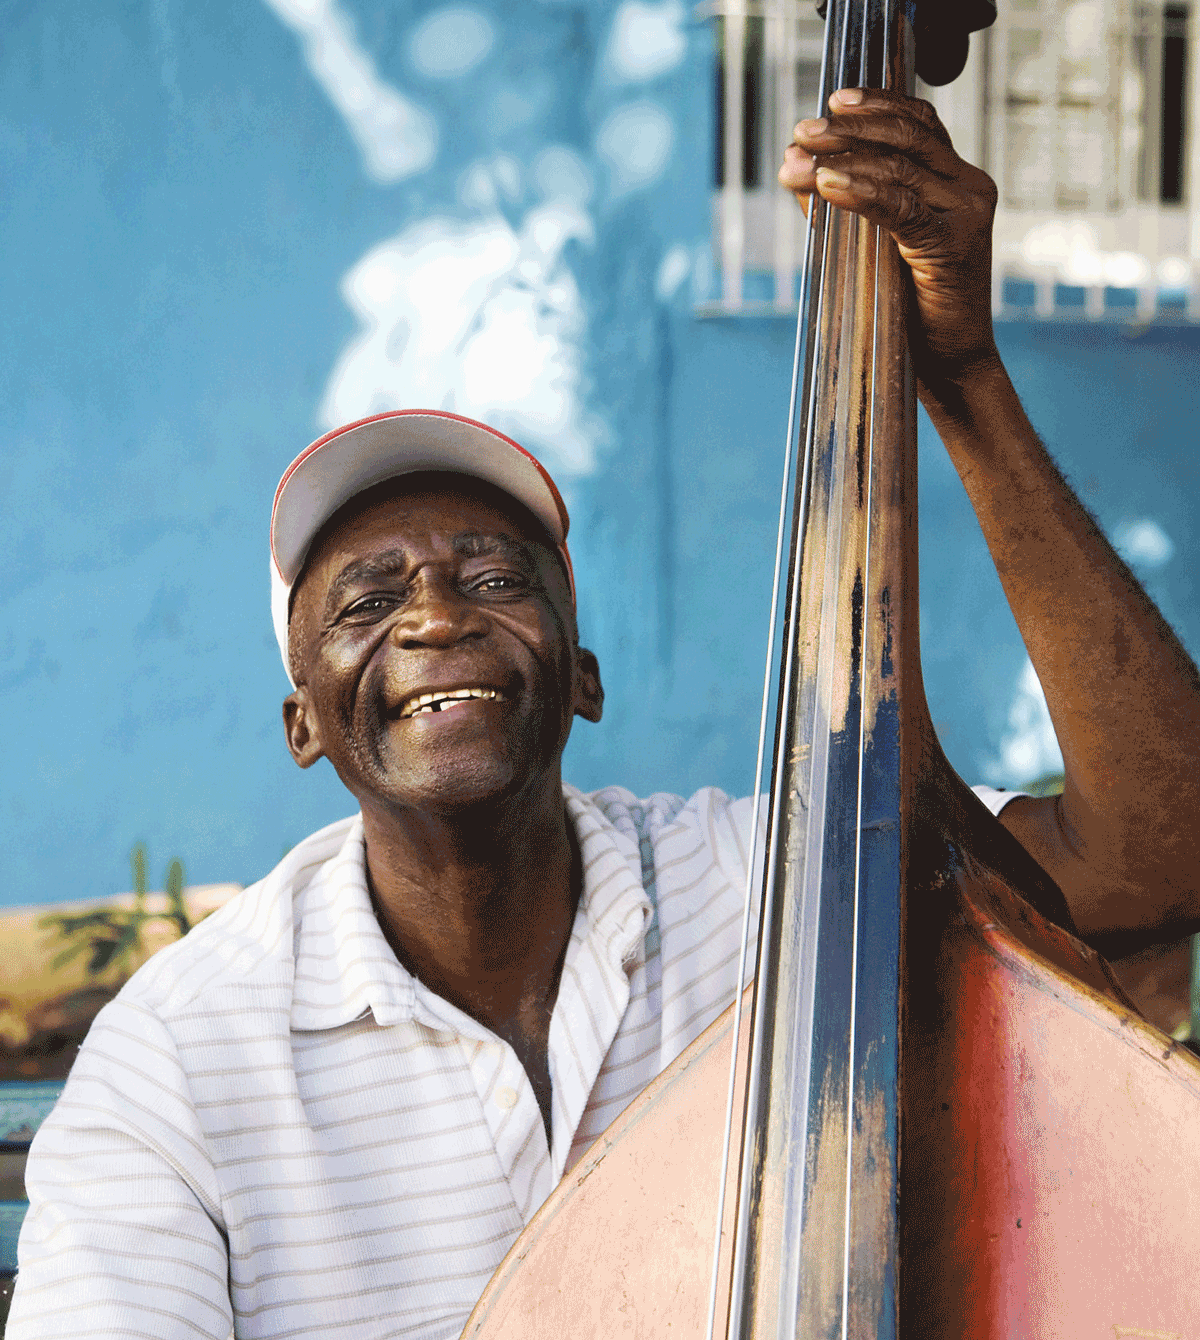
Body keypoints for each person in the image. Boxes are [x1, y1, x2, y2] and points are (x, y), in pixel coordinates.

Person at [9, 91, 1200, 1339]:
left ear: (582, 674)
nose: (434, 618)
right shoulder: (182, 1060)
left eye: (492, 578)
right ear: (304, 721)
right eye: (367, 598)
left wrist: (961, 376)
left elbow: (1157, 863)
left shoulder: (786, 890)